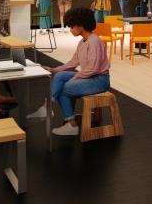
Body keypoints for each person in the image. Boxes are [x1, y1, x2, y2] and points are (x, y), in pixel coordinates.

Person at [26, 8, 111, 136]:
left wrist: (75, 78)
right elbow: (72, 63)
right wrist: (54, 70)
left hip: (99, 80)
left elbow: (93, 68)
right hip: (89, 77)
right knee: (59, 76)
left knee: (63, 88)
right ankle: (48, 108)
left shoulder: (94, 41)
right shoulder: (82, 42)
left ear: (81, 26)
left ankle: (70, 124)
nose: (70, 29)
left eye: (72, 26)